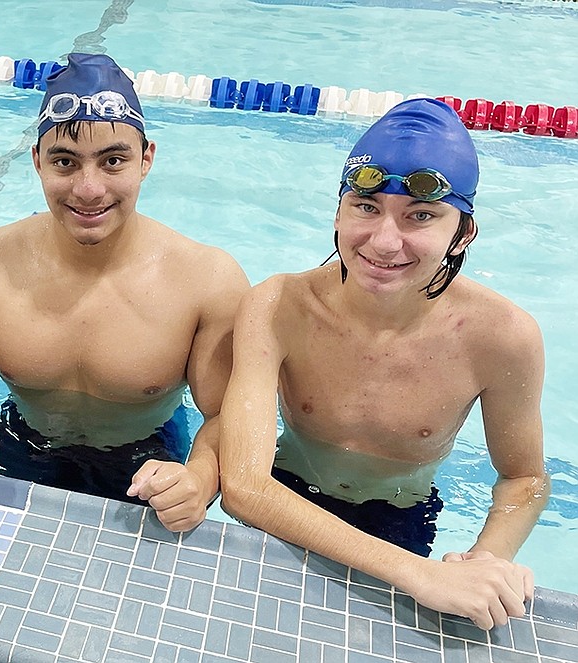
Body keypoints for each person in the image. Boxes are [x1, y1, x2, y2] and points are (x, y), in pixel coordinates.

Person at [218, 98, 549, 630]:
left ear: (463, 232)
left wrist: (489, 557)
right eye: (366, 207)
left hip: (399, 517)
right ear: (338, 211)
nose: (385, 242)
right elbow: (243, 486)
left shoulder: (502, 337)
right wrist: (418, 576)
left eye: (420, 216)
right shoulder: (278, 305)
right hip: (284, 500)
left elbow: (524, 479)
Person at [0, 53, 249, 531]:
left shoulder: (207, 280)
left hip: (148, 461)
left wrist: (199, 478)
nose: (88, 189)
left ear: (146, 160)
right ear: (37, 163)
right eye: (65, 162)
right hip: (19, 441)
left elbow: (225, 413)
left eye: (113, 160)